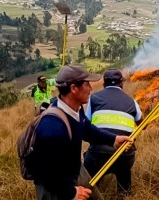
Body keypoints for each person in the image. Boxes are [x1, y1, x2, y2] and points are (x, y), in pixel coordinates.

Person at [33, 64, 134, 200]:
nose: (91, 89)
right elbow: (46, 173)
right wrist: (71, 193)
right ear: (74, 88)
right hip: (54, 185)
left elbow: (86, 128)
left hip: (75, 170)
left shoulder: (76, 109)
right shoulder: (52, 127)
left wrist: (113, 139)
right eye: (87, 85)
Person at [84, 68, 142, 196]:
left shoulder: (93, 99)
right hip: (124, 152)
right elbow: (142, 124)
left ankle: (91, 193)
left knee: (90, 181)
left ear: (104, 84)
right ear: (122, 83)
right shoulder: (132, 102)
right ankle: (124, 193)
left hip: (98, 152)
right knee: (124, 172)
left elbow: (85, 124)